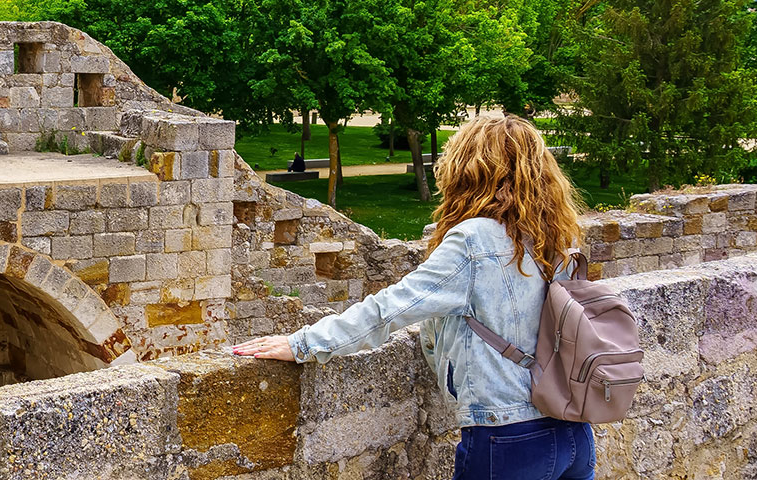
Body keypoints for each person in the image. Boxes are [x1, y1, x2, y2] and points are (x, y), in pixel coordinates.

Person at [232, 114, 593, 479]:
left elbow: (390, 309)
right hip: (573, 429)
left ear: (469, 172)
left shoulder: (474, 241)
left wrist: (303, 343)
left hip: (509, 435)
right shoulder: (558, 235)